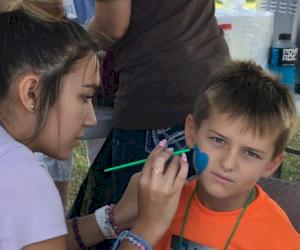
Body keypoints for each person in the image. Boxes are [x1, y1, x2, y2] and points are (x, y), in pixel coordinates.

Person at [0, 1, 188, 249]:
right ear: (32, 92)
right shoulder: (25, 179)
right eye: (84, 97)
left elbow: (39, 237)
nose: (91, 119)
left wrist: (117, 216)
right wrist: (147, 228)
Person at [70, 0, 230, 222]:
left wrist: (67, 48)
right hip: (212, 80)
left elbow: (112, 26)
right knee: (193, 223)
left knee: (136, 222)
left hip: (157, 93)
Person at [155, 60, 300, 249]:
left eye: (250, 153)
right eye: (218, 140)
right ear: (191, 132)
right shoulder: (161, 203)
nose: (228, 163)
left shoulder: (280, 241)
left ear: (271, 165)